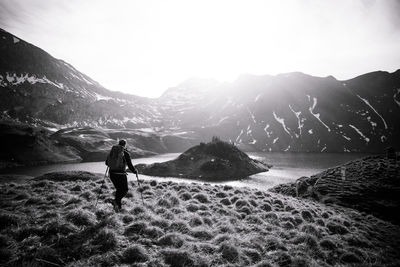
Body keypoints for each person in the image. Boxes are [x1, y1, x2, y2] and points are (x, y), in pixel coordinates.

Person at [105, 139, 138, 211]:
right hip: (120, 174)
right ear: (125, 145)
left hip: (112, 174)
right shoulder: (125, 153)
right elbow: (129, 165)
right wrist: (135, 171)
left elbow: (107, 163)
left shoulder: (112, 152)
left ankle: (117, 207)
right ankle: (116, 202)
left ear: (118, 143)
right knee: (124, 190)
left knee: (119, 190)